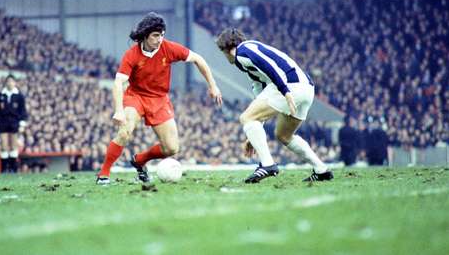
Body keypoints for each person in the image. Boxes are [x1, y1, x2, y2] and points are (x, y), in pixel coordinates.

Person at [96, 12, 222, 185]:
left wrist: (212, 85)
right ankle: (104, 174)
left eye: (162, 35)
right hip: (136, 97)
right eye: (155, 35)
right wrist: (119, 110)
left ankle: (139, 160)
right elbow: (118, 83)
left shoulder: (168, 48)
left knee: (171, 148)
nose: (159, 39)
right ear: (145, 35)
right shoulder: (131, 55)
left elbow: (198, 59)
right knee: (125, 132)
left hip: (160, 100)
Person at [216, 28, 333, 183]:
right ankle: (321, 169)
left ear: (226, 49)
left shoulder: (244, 50)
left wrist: (286, 92)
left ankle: (267, 164)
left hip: (290, 85)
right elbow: (259, 92)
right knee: (283, 135)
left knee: (245, 117)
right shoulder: (246, 60)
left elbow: (270, 67)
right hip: (306, 88)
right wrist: (255, 128)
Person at [0, 75, 28, 173]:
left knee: (13, 145)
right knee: (4, 145)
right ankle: (4, 168)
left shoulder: (19, 96)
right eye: (8, 81)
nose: (10, 83)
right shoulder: (0, 95)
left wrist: (22, 124)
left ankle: (13, 168)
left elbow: (23, 110)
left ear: (15, 83)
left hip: (15, 122)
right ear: (5, 83)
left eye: (12, 81)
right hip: (3, 121)